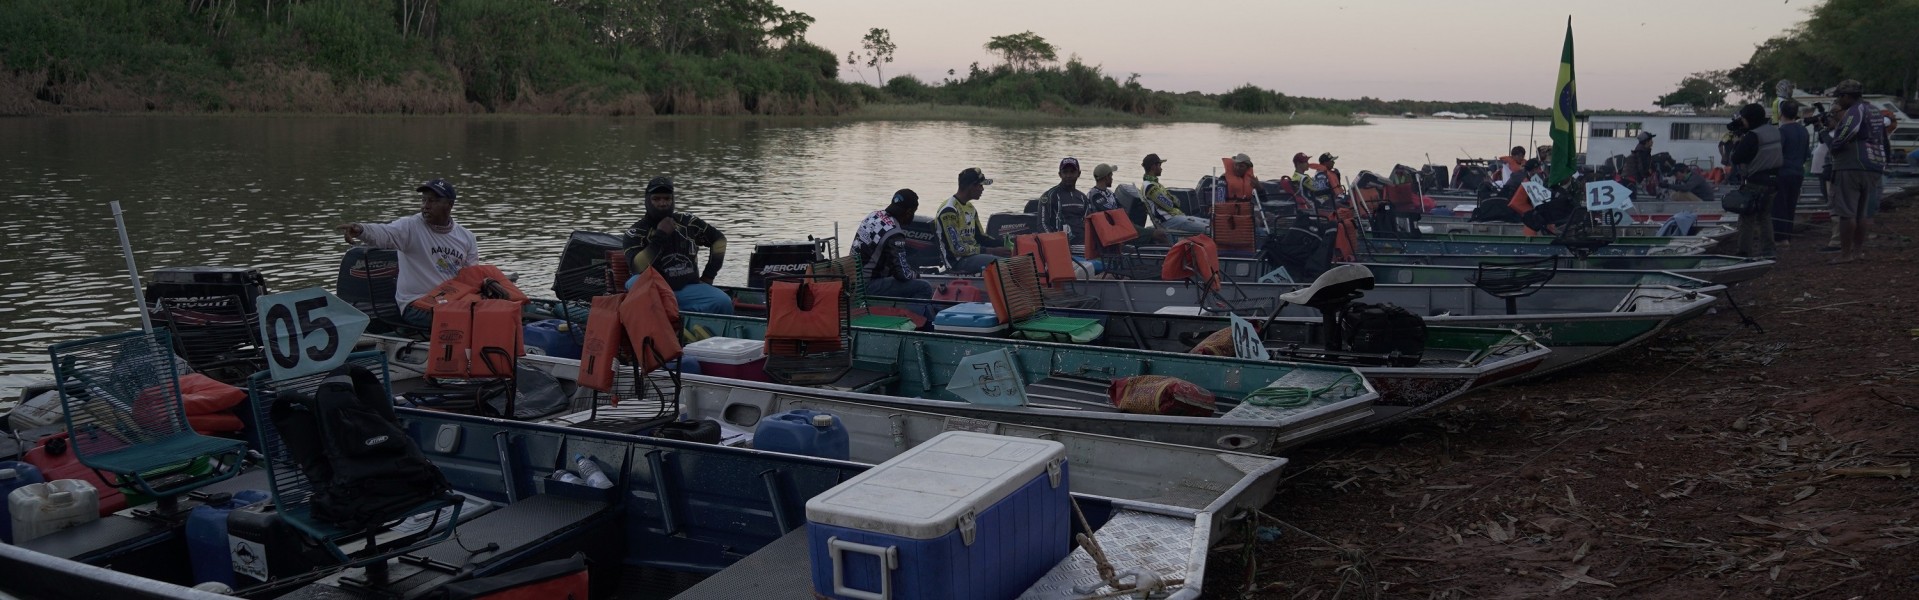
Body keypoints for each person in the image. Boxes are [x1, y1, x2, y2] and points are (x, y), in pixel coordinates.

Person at [337, 179, 479, 327]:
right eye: (423, 200)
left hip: (453, 300)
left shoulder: (467, 237)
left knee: (490, 311)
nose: (426, 206)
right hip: (416, 305)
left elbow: (472, 276)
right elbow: (385, 233)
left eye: (432, 201)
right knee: (464, 319)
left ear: (449, 205)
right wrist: (361, 230)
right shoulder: (410, 226)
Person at [622, 176, 733, 314]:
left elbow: (719, 240)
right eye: (656, 199)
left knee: (723, 301)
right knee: (635, 282)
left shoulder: (688, 222)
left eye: (667, 198)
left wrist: (709, 275)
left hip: (686, 290)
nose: (663, 203)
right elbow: (637, 267)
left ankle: (682, 314)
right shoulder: (635, 232)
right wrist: (660, 236)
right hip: (654, 291)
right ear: (647, 201)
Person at [1825, 79, 1890, 263]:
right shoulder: (1875, 110)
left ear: (1847, 96)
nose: (1839, 101)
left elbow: (1848, 131)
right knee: (1863, 212)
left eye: (1840, 97)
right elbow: (1884, 139)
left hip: (1852, 164)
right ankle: (1858, 251)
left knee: (1847, 212)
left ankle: (1845, 254)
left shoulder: (1856, 110)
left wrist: (1834, 146)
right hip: (1874, 164)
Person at [852, 190, 933, 299]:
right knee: (924, 287)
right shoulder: (894, 234)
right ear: (909, 212)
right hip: (866, 286)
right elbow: (903, 275)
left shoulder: (873, 216)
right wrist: (917, 275)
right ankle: (911, 315)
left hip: (852, 279)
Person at [1728, 103, 1782, 258]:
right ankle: (1769, 251)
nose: (1742, 122)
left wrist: (1739, 140)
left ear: (1749, 119)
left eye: (1743, 119)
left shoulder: (1753, 136)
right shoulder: (1775, 131)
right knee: (1765, 216)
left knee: (1747, 217)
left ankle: (1744, 252)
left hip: (1756, 181)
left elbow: (1736, 157)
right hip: (1773, 180)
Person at [936, 167, 1004, 274]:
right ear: (971, 186)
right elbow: (957, 249)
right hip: (957, 262)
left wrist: (1006, 243)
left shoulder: (970, 208)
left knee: (1015, 258)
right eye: (980, 185)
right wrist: (991, 251)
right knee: (1005, 264)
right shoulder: (949, 211)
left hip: (973, 255)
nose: (982, 189)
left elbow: (981, 237)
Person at [1139, 154, 1207, 242]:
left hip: (1176, 218)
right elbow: (1169, 205)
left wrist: (1171, 199)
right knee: (1209, 229)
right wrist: (1171, 199)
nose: (1161, 168)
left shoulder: (1155, 184)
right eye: (1159, 165)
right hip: (1169, 221)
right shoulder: (1150, 187)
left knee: (1209, 223)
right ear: (1153, 167)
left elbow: (1177, 202)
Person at [1773, 101, 1810, 245]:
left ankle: (1780, 237)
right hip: (1798, 171)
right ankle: (1787, 235)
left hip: (1783, 172)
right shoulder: (1804, 131)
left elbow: (1777, 153)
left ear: (1781, 113)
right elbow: (1806, 153)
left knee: (1779, 205)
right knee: (1791, 204)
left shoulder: (1782, 131)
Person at [1039, 157, 1090, 243]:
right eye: (1065, 172)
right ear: (1060, 174)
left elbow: (1088, 224)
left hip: (1082, 247)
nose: (1069, 175)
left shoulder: (1083, 198)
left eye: (1072, 172)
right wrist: (1054, 242)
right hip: (1059, 246)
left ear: (1079, 173)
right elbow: (1042, 224)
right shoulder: (1049, 196)